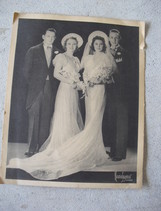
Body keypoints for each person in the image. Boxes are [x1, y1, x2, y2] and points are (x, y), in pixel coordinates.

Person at [8, 31, 116, 180]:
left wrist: (80, 84)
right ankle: (60, 146)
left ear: (76, 46)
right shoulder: (61, 57)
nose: (71, 46)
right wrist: (71, 82)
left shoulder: (77, 60)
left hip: (74, 92)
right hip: (65, 90)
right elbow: (56, 75)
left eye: (74, 44)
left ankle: (69, 145)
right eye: (69, 44)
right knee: (64, 115)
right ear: (65, 45)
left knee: (72, 115)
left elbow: (81, 75)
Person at [24, 28, 60, 157]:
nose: (50, 38)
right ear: (43, 36)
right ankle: (31, 148)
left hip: (50, 87)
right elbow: (26, 72)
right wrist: (35, 84)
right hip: (36, 89)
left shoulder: (58, 52)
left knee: (46, 116)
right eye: (48, 36)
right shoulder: (33, 50)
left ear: (55, 38)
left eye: (53, 37)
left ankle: (42, 148)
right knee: (34, 116)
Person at [103, 29, 128, 161]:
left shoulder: (123, 53)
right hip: (108, 90)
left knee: (121, 122)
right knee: (111, 120)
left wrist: (114, 78)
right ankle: (113, 151)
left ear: (120, 39)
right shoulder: (105, 52)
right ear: (108, 38)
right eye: (112, 37)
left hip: (121, 91)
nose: (114, 40)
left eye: (116, 38)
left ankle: (119, 153)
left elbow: (127, 73)